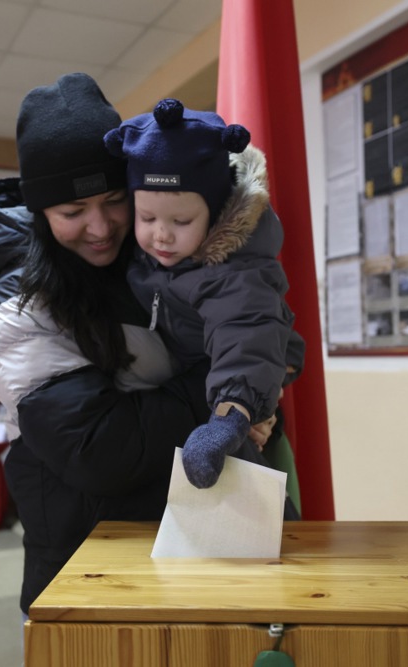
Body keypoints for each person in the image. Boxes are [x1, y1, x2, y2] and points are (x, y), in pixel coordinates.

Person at [0, 74, 276, 618]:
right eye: (71, 212)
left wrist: (263, 369)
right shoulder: (19, 303)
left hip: (200, 541)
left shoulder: (155, 261)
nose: (101, 227)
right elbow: (99, 449)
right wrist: (228, 408)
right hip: (84, 567)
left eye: (115, 200)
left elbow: (251, 325)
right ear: (40, 214)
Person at [104, 98, 306, 490]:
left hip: (250, 376)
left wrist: (232, 416)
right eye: (146, 218)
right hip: (200, 380)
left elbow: (244, 331)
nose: (160, 234)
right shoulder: (148, 254)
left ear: (214, 214)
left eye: (181, 221)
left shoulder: (234, 268)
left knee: (252, 491)